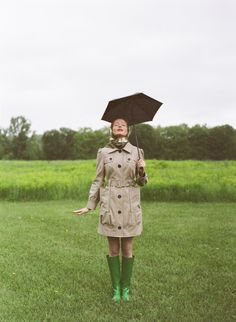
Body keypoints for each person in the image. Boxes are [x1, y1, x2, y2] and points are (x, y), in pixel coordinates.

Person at [73, 118, 148, 302]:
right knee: (113, 249)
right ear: (112, 129)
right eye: (116, 124)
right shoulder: (104, 152)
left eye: (123, 124)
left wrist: (142, 171)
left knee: (128, 248)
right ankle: (116, 289)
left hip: (130, 204)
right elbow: (98, 180)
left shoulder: (138, 152)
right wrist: (90, 204)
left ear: (128, 130)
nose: (120, 126)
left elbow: (143, 183)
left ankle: (126, 289)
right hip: (111, 204)